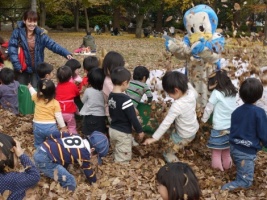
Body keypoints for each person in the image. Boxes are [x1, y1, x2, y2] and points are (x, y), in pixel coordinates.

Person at [143, 71, 199, 163]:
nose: (169, 96)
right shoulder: (192, 93)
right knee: (170, 132)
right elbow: (187, 84)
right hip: (193, 129)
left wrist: (154, 138)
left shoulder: (177, 105)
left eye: (169, 94)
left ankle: (178, 167)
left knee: (167, 152)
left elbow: (166, 123)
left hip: (183, 136)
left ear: (176, 90)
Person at [222, 78, 267, 190]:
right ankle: (224, 189)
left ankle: (243, 170)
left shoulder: (236, 112)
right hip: (245, 151)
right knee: (245, 182)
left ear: (241, 95)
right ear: (260, 95)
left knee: (244, 164)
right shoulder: (259, 113)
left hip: (234, 147)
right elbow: (263, 132)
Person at [8, 10, 72, 88]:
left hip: (36, 68)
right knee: (22, 90)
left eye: (34, 21)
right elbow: (12, 50)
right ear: (24, 21)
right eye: (30, 21)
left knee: (36, 90)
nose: (32, 24)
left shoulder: (40, 34)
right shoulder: (17, 33)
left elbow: (53, 45)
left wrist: (66, 53)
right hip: (22, 68)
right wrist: (17, 65)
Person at [33, 130, 109, 191]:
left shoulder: (76, 136)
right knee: (71, 180)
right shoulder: (84, 154)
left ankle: (39, 169)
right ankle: (66, 195)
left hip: (42, 148)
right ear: (92, 150)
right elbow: (88, 171)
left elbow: (56, 134)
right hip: (45, 160)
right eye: (94, 155)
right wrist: (94, 181)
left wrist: (51, 141)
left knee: (65, 159)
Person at [201, 70, 237, 171]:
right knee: (226, 151)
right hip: (231, 127)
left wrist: (203, 119)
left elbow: (209, 108)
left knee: (216, 153)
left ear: (216, 82)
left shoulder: (216, 93)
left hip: (219, 128)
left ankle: (218, 174)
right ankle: (228, 169)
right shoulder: (233, 92)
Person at [108, 67, 144, 163]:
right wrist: (139, 131)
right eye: (129, 82)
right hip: (123, 133)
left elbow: (114, 111)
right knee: (123, 157)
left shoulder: (111, 96)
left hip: (112, 129)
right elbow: (132, 118)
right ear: (124, 83)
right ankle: (119, 171)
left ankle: (116, 159)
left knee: (117, 149)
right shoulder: (125, 99)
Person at [28, 79, 68, 148]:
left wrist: (30, 87)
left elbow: (32, 92)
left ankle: (40, 152)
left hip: (37, 126)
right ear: (53, 92)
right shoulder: (55, 103)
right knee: (53, 142)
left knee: (38, 142)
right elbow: (58, 116)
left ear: (39, 91)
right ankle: (52, 152)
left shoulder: (37, 98)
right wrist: (63, 127)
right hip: (50, 127)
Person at [0, 133, 40, 199]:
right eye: (16, 156)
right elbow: (35, 176)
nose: (17, 159)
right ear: (8, 157)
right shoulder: (11, 178)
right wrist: (21, 154)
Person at [80, 68, 106, 135]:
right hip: (101, 116)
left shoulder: (88, 90)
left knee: (89, 134)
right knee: (100, 135)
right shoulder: (104, 91)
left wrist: (81, 94)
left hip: (90, 116)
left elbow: (83, 101)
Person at [55, 66, 80, 134]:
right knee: (72, 126)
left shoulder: (57, 86)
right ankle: (73, 135)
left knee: (60, 126)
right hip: (69, 111)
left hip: (58, 112)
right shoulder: (72, 85)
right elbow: (77, 93)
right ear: (70, 77)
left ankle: (61, 136)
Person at [102, 51, 125, 117]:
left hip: (119, 108)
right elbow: (120, 97)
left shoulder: (113, 78)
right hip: (113, 113)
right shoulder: (108, 82)